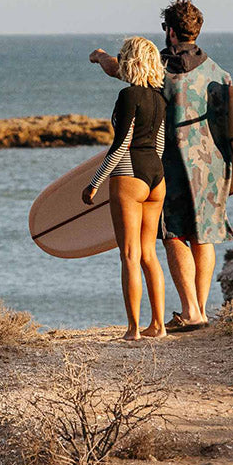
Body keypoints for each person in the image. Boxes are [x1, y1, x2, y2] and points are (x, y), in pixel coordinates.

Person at [89, 0, 232, 331]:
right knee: (203, 235)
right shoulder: (219, 74)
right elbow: (228, 128)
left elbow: (122, 68)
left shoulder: (160, 69)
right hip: (211, 166)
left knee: (173, 235)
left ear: (169, 31)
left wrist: (99, 56)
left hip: (167, 164)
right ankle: (198, 309)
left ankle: (191, 310)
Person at [82, 36, 167, 340]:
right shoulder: (159, 98)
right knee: (149, 254)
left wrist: (94, 183)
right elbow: (159, 144)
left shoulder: (128, 96)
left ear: (129, 61)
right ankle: (158, 325)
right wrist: (153, 171)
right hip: (156, 177)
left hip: (129, 174)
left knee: (129, 254)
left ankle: (133, 329)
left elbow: (120, 147)